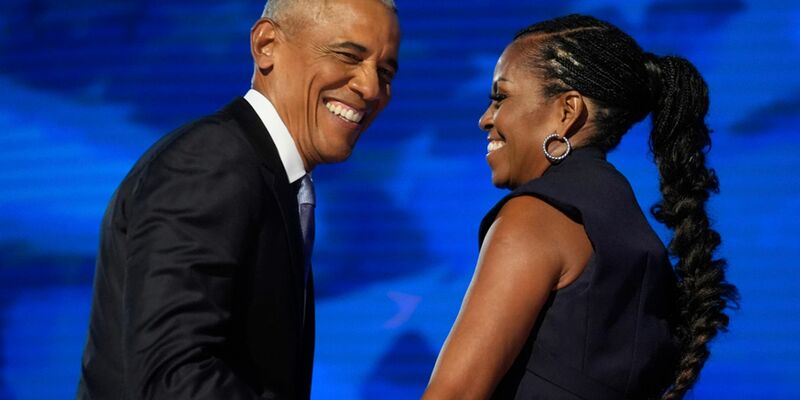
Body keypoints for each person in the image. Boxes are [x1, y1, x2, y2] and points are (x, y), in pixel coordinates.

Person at [76, 0, 399, 398]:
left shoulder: (270, 179)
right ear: (266, 45)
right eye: (348, 55)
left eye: (385, 72)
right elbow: (173, 379)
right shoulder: (211, 162)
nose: (370, 88)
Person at [423, 14, 737, 400]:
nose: (485, 118)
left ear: (567, 112)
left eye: (501, 97)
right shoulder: (634, 234)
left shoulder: (535, 218)